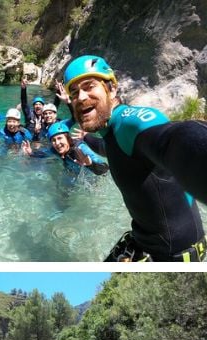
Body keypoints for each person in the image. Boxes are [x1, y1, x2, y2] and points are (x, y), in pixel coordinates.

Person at [64, 54, 207, 261]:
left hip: (173, 256)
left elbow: (173, 139)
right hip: (143, 241)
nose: (81, 97)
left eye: (89, 86)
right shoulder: (111, 133)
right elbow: (107, 147)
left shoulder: (128, 122)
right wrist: (85, 140)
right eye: (75, 92)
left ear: (111, 88)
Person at [23, 122, 109, 180]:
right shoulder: (55, 150)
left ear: (68, 138)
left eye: (60, 138)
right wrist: (31, 153)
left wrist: (90, 164)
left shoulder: (80, 148)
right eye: (53, 140)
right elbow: (43, 153)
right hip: (73, 175)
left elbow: (105, 169)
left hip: (91, 179)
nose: (57, 143)